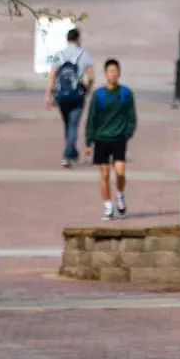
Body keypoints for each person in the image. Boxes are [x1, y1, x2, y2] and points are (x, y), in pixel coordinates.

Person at [85, 59, 137, 219]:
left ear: (119, 73)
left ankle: (120, 195)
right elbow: (91, 118)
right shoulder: (98, 95)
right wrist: (89, 141)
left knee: (120, 172)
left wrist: (127, 133)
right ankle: (108, 206)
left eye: (115, 71)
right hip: (101, 138)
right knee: (104, 174)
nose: (112, 74)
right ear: (105, 74)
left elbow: (131, 116)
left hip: (119, 138)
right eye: (109, 71)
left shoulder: (125, 93)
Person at [44, 28, 94, 168]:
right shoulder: (84, 55)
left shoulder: (59, 55)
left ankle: (72, 153)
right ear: (78, 39)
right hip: (77, 96)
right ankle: (67, 156)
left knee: (68, 125)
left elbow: (51, 75)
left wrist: (48, 95)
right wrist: (86, 90)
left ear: (67, 39)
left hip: (61, 97)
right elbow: (91, 77)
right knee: (73, 126)